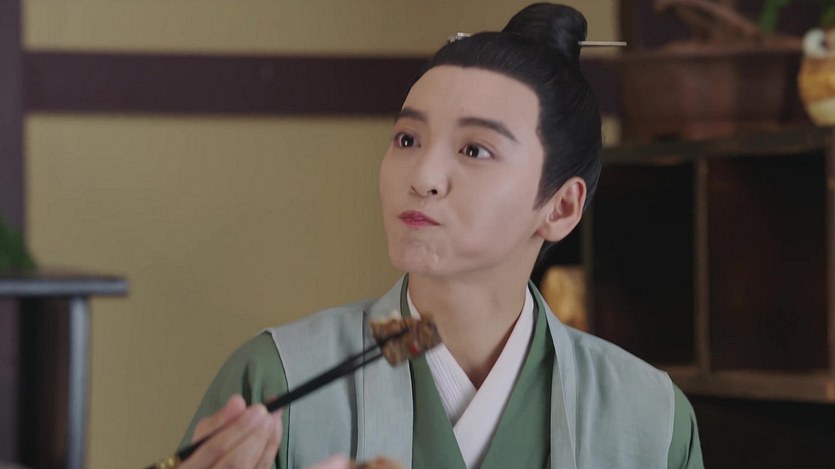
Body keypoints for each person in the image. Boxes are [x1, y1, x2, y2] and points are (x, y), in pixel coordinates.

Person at [178, 3, 704, 468]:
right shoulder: (279, 381)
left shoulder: (649, 417)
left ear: (560, 207)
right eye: (407, 139)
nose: (423, 177)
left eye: (475, 149)